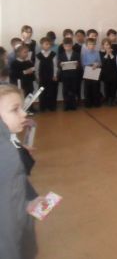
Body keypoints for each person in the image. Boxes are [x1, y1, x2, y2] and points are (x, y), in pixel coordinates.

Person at [0, 84, 41, 259]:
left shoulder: (7, 139)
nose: (24, 114)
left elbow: (16, 182)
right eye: (15, 109)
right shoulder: (5, 152)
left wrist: (29, 200)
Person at [35, 37, 58, 112]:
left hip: (51, 76)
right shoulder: (38, 55)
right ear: (41, 45)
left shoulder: (53, 54)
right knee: (42, 91)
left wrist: (55, 75)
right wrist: (37, 76)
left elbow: (55, 66)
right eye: (46, 44)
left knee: (51, 91)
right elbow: (36, 67)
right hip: (42, 76)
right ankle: (43, 107)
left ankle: (51, 106)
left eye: (49, 44)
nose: (48, 46)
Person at [58, 38, 80, 110]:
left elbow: (79, 64)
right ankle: (66, 105)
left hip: (74, 75)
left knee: (73, 90)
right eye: (66, 46)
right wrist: (60, 64)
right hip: (65, 75)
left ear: (72, 45)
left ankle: (73, 105)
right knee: (65, 90)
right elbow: (58, 64)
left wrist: (77, 65)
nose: (68, 47)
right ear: (63, 46)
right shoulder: (61, 55)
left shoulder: (76, 54)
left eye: (69, 46)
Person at [81, 38, 101, 107]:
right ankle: (88, 103)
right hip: (87, 72)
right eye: (90, 44)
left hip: (95, 71)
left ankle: (96, 103)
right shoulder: (84, 53)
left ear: (95, 45)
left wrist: (97, 64)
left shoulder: (97, 52)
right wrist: (91, 65)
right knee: (87, 88)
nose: (92, 46)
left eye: (93, 44)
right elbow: (83, 63)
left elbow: (100, 62)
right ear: (86, 45)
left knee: (95, 88)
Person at [100, 38, 117, 106]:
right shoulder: (101, 53)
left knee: (113, 87)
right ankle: (107, 99)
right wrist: (106, 54)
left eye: (108, 44)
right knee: (106, 87)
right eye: (106, 45)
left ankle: (113, 99)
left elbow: (115, 61)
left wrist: (110, 54)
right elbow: (102, 63)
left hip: (113, 72)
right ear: (103, 46)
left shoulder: (114, 52)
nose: (107, 46)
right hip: (105, 73)